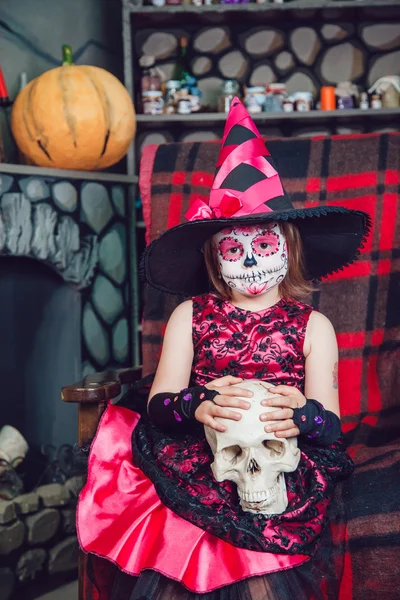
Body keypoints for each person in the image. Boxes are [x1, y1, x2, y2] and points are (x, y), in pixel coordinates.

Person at [78, 99, 370, 600]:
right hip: (203, 454)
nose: (252, 258)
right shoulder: (189, 317)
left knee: (265, 572)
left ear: (291, 246)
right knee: (180, 554)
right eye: (234, 248)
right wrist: (199, 404)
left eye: (265, 243)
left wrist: (302, 414)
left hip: (280, 458)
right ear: (214, 255)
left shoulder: (314, 327)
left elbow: (332, 426)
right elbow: (160, 406)